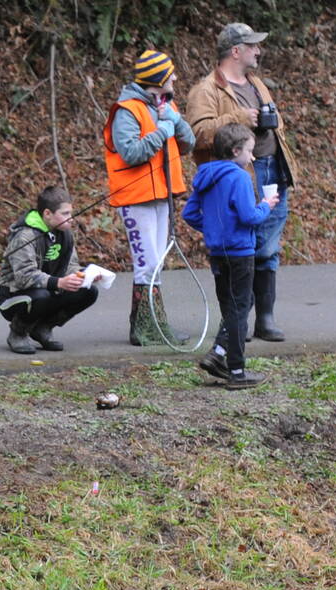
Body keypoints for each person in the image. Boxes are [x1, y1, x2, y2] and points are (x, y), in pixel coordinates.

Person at [186, 22, 295, 343]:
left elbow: (275, 123)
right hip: (240, 178)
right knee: (243, 249)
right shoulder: (205, 91)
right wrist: (237, 118)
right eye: (253, 46)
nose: (258, 51)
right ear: (236, 51)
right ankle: (237, 322)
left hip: (273, 170)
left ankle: (265, 319)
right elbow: (197, 134)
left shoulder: (257, 84)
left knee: (269, 247)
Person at [102, 50, 195, 347]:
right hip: (135, 197)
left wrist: (176, 122)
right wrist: (161, 130)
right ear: (158, 80)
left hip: (160, 196)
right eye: (171, 74)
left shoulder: (166, 105)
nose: (176, 78)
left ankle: (153, 325)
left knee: (155, 264)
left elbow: (189, 143)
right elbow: (130, 152)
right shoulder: (127, 110)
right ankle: (144, 329)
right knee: (147, 263)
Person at [182, 123, 271, 390]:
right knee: (239, 310)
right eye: (249, 151)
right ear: (235, 151)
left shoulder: (206, 176)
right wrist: (267, 205)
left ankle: (220, 355)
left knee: (233, 305)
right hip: (240, 252)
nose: (252, 157)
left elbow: (190, 213)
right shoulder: (240, 177)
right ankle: (237, 371)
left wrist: (213, 228)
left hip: (218, 253)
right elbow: (249, 216)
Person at [0, 186, 98, 356]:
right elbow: (24, 277)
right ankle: (18, 332)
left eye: (71, 213)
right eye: (65, 214)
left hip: (48, 290)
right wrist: (59, 282)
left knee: (88, 291)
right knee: (42, 295)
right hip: (13, 297)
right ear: (47, 214)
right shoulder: (25, 236)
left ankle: (43, 328)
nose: (71, 219)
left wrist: (86, 274)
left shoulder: (65, 234)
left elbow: (69, 267)